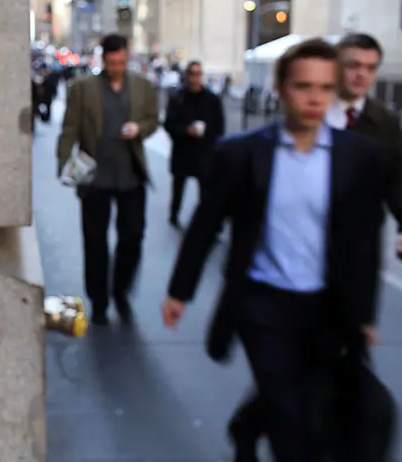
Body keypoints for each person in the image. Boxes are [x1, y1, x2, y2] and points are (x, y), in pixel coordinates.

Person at [161, 38, 388, 461]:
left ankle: (246, 425)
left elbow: (363, 240)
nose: (315, 98)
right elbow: (204, 226)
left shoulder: (358, 157)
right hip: (261, 303)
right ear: (281, 89)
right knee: (290, 416)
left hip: (326, 306)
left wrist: (364, 314)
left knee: (312, 397)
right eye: (304, 86)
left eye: (324, 87)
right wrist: (179, 292)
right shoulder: (242, 154)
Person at [226, 32, 402, 461]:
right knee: (301, 363)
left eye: (370, 68)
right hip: (288, 268)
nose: (361, 75)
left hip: (349, 270)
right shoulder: (305, 112)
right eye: (352, 66)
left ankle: (254, 421)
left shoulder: (381, 124)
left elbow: (401, 177)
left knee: (328, 362)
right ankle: (267, 426)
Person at [57, 33, 159, 326]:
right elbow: (69, 129)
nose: (116, 67)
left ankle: (121, 291)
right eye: (112, 62)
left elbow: (154, 120)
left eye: (122, 62)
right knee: (95, 242)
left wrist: (139, 128)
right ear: (103, 59)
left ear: (128, 58)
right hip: (95, 179)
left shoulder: (142, 87)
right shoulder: (83, 89)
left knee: (133, 238)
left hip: (131, 177)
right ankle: (99, 300)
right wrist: (64, 166)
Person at [164, 60, 225, 228]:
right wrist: (185, 130)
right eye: (192, 74)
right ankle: (174, 215)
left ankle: (207, 222)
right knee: (178, 187)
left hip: (204, 151)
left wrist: (211, 141)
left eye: (198, 74)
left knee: (206, 190)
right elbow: (169, 124)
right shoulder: (178, 98)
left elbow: (219, 126)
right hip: (183, 150)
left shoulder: (212, 100)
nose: (195, 78)